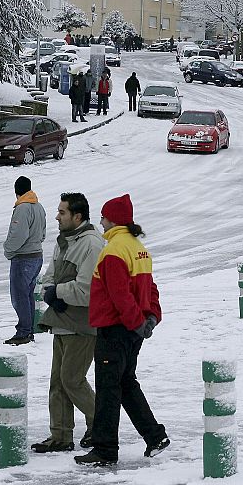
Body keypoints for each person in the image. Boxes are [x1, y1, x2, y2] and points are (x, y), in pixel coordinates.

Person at [75, 194, 169, 466]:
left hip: (115, 329)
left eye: (103, 217)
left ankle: (104, 450)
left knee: (108, 390)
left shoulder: (114, 250)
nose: (101, 222)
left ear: (113, 219)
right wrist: (150, 317)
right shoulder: (138, 247)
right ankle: (154, 436)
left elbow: (120, 295)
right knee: (126, 383)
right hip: (132, 330)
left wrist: (137, 322)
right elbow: (150, 288)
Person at [31, 193, 105, 453]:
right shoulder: (63, 242)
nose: (57, 216)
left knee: (72, 379)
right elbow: (49, 277)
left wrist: (57, 293)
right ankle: (60, 436)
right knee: (58, 382)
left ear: (78, 216)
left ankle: (101, 425)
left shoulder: (92, 244)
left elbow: (87, 289)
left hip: (82, 324)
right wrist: (51, 292)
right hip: (61, 320)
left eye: (62, 212)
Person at [3, 176, 46, 346]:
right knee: (27, 295)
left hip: (23, 258)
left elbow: (18, 235)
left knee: (19, 297)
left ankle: (24, 332)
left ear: (16, 191)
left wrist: (8, 250)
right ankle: (27, 330)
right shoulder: (39, 207)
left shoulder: (22, 208)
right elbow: (43, 233)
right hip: (36, 256)